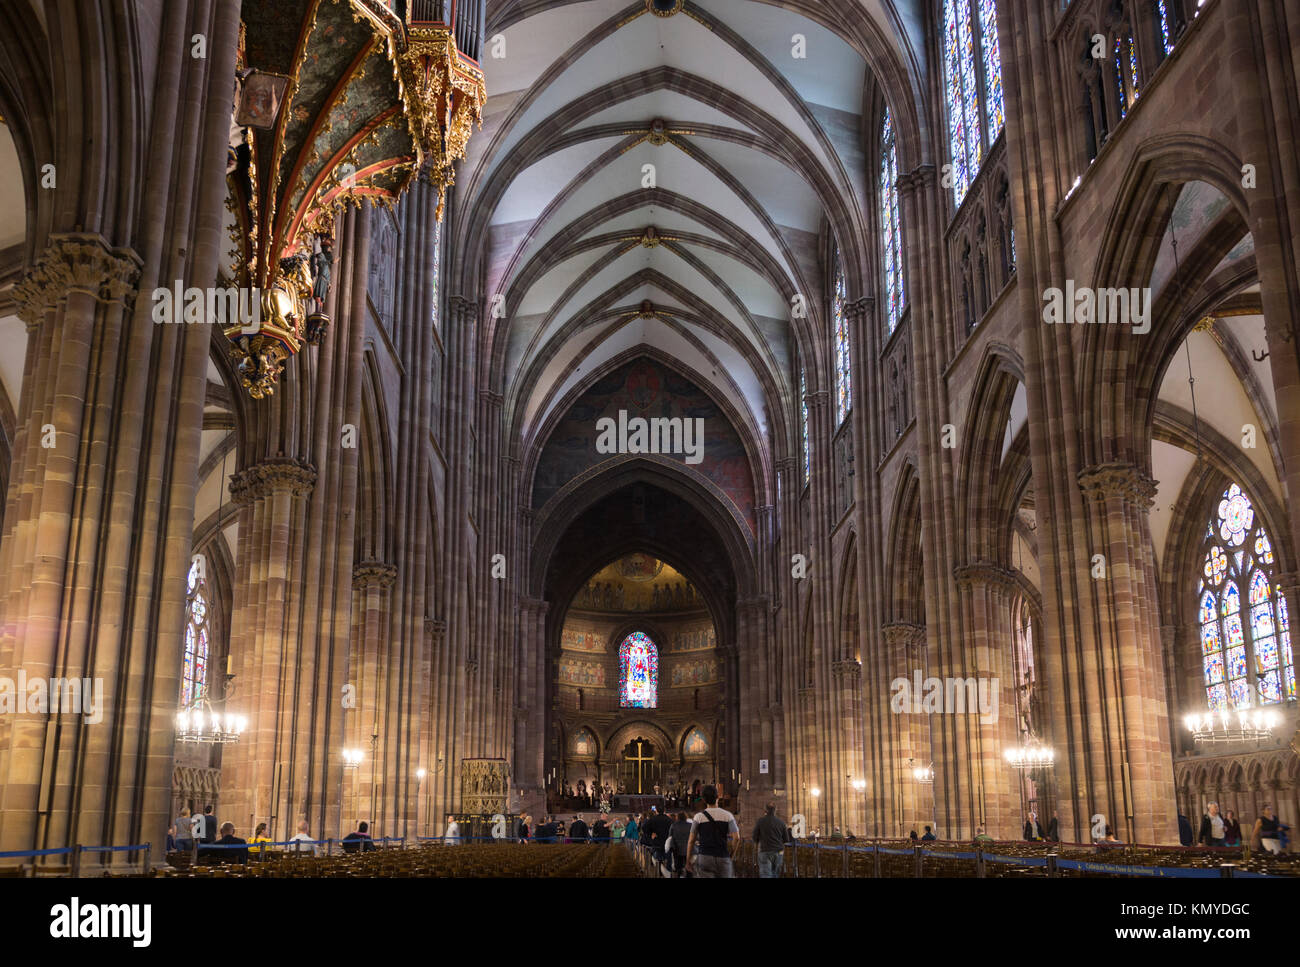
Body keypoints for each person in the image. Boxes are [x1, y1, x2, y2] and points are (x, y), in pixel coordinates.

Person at [686, 784, 739, 878]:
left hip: (705, 857)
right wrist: (731, 855)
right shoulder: (728, 815)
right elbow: (737, 838)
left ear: (704, 800)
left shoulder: (698, 817)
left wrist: (688, 861)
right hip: (723, 856)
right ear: (717, 797)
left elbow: (691, 841)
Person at [752, 802, 787, 879]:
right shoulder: (781, 823)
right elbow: (786, 839)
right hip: (778, 852)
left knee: (765, 874)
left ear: (765, 810)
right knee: (775, 874)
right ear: (775, 810)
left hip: (765, 850)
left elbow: (754, 837)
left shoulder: (760, 821)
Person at [667, 811, 693, 876]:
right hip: (688, 849)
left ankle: (679, 874)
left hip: (677, 849)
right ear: (685, 817)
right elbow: (696, 837)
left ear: (677, 817)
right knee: (688, 867)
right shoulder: (690, 825)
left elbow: (670, 837)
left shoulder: (673, 825)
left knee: (678, 867)